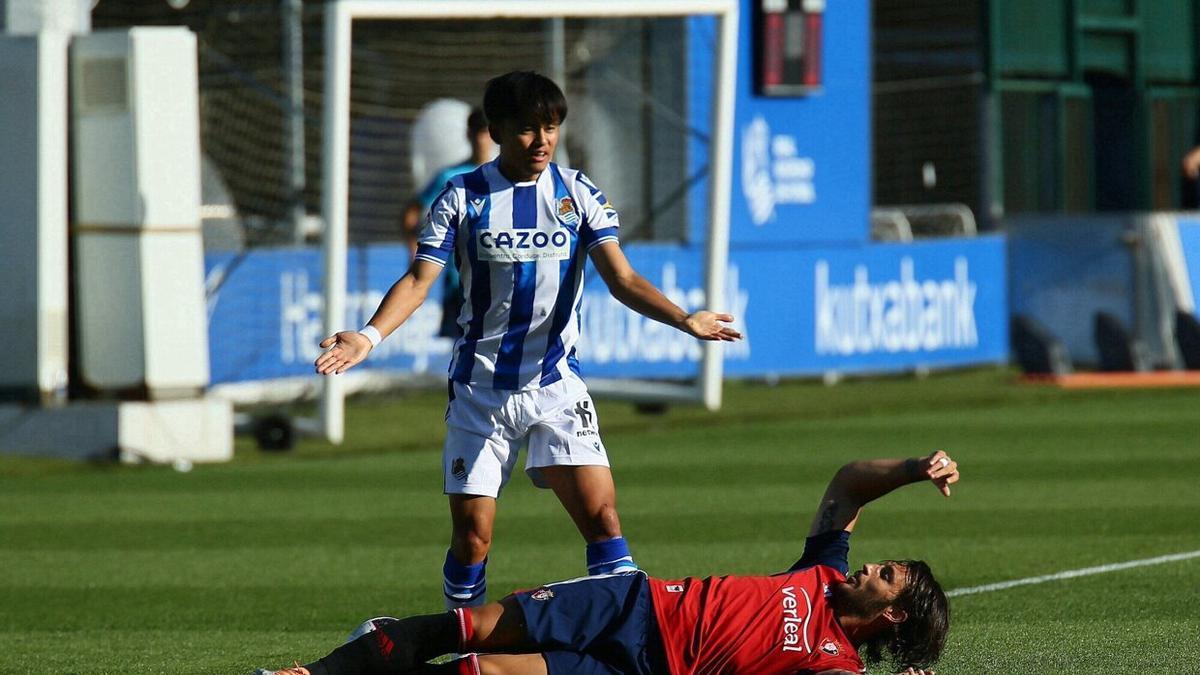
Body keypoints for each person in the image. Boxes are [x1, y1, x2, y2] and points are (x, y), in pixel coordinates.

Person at [314, 71, 743, 611]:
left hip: (556, 387)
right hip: (480, 393)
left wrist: (685, 320)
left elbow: (624, 280)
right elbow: (420, 280)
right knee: (473, 539)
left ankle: (625, 641)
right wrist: (369, 336)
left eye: (551, 127)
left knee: (603, 519)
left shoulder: (577, 193)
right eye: (526, 129)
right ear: (494, 130)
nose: (542, 140)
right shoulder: (462, 197)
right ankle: (466, 641)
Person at [253, 450, 959, 675]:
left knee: (480, 674)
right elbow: (844, 484)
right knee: (463, 630)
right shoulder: (825, 573)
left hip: (642, 670)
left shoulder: (834, 663)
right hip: (633, 604)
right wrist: (910, 467)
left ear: (891, 613)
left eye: (886, 575)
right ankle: (312, 673)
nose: (871, 567)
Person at [401, 107, 494, 338]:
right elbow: (411, 213)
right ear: (469, 135)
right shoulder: (451, 177)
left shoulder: (509, 176)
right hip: (460, 280)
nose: (482, 139)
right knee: (464, 346)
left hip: (500, 278)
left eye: (487, 132)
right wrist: (414, 252)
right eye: (477, 132)